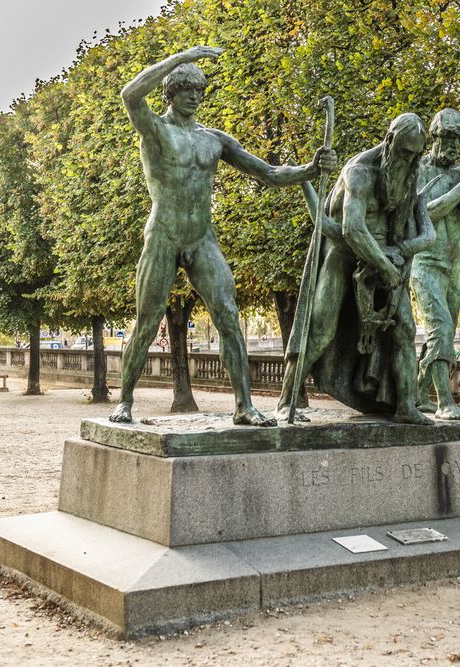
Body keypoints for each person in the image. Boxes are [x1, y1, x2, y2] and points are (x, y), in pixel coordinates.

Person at [109, 46, 336, 425]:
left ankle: (244, 406)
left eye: (199, 89)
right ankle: (125, 400)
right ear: (171, 91)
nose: (195, 95)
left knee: (229, 315)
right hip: (163, 235)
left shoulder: (214, 139)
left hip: (202, 238)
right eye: (186, 88)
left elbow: (269, 174)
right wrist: (179, 58)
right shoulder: (155, 129)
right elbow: (129, 94)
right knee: (147, 322)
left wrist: (311, 170)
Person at [277, 113, 435, 424]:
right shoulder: (359, 171)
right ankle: (287, 400)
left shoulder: (410, 170)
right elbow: (352, 229)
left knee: (404, 328)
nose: (411, 160)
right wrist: (385, 267)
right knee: (320, 331)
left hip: (385, 258)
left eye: (416, 154)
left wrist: (394, 258)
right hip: (344, 253)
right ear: (389, 141)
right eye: (405, 152)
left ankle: (406, 405)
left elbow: (401, 223)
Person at [410, 109, 460, 420]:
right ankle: (445, 402)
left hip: (454, 263)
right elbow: (423, 215)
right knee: (441, 329)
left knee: (442, 332)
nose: (454, 148)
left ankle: (418, 395)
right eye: (449, 140)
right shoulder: (419, 171)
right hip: (424, 261)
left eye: (459, 142)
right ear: (435, 138)